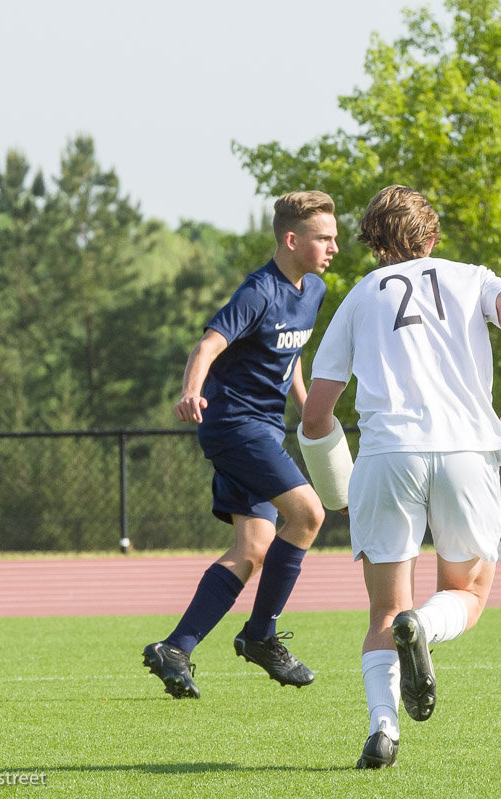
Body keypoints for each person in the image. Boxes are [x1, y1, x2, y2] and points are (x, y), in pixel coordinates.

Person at [299, 185, 501, 768]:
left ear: (374, 243)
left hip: (387, 456)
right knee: (467, 593)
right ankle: (424, 627)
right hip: (463, 451)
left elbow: (315, 415)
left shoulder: (358, 297)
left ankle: (384, 729)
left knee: (383, 614)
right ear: (431, 237)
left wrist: (335, 485)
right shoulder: (468, 276)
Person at [142, 190, 337, 699]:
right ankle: (260, 635)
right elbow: (207, 345)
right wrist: (190, 393)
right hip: (233, 425)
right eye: (324, 238)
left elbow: (289, 357)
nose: (333, 247)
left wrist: (309, 412)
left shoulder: (312, 290)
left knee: (253, 547)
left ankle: (176, 647)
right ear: (292, 240)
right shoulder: (259, 292)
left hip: (265, 429)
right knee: (309, 516)